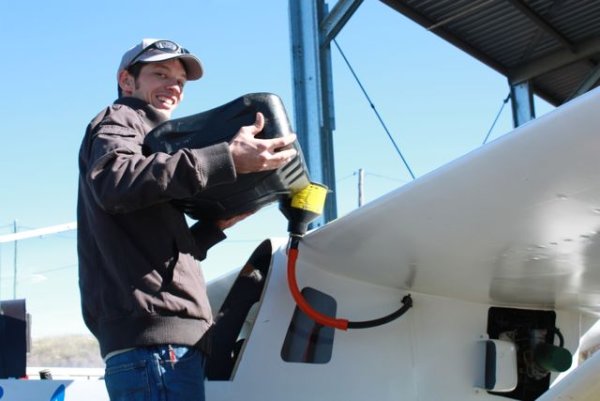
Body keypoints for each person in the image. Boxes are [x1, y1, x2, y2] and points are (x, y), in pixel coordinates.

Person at [77, 38, 297, 401]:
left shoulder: (152, 146)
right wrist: (225, 157)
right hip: (156, 348)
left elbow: (154, 247)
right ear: (127, 81)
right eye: (159, 74)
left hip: (165, 346)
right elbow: (115, 182)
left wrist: (215, 228)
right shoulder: (121, 118)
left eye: (179, 80)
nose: (173, 86)